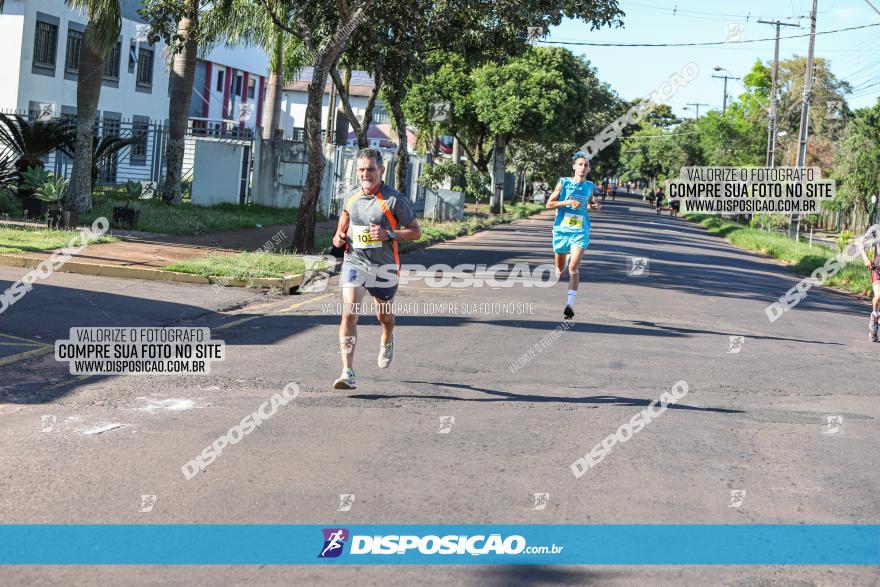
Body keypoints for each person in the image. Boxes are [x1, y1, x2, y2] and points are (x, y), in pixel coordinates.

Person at [331, 148, 421, 389]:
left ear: (381, 170)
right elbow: (346, 214)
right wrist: (339, 234)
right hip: (355, 260)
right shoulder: (351, 193)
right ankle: (347, 371)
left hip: (384, 266)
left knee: (384, 316)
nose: (365, 174)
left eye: (370, 169)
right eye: (361, 169)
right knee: (349, 311)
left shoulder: (394, 199)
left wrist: (388, 234)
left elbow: (416, 231)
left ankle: (388, 337)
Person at [546, 151, 600, 320]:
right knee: (561, 270)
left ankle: (569, 305)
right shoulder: (563, 183)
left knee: (573, 268)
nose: (583, 168)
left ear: (589, 169)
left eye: (586, 165)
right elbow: (549, 204)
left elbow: (590, 202)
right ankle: (560, 265)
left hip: (580, 230)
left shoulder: (590, 186)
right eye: (580, 164)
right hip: (561, 230)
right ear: (574, 167)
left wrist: (593, 206)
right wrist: (568, 202)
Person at [860, 242, 880, 342]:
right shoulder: (876, 232)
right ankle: (875, 314)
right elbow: (861, 242)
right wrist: (864, 255)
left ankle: (874, 326)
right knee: (879, 296)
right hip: (877, 270)